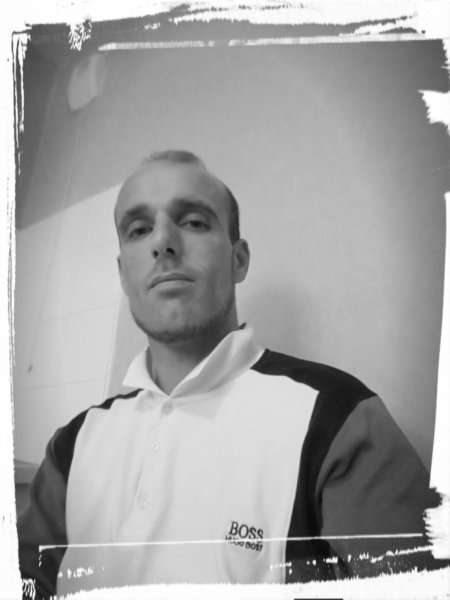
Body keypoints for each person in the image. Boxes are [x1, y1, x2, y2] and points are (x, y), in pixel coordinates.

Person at [18, 150, 439, 598]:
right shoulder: (72, 443)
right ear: (123, 275)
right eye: (139, 230)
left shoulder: (338, 418)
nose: (163, 242)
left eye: (194, 222)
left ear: (239, 260)